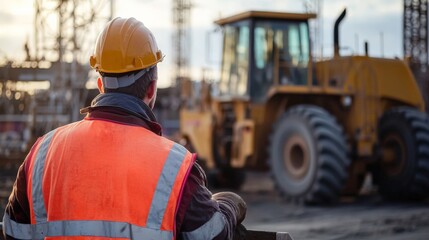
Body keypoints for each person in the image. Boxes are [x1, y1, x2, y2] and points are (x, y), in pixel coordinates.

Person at [2, 17, 246, 240]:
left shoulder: (41, 154)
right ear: (151, 89)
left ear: (100, 85)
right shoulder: (174, 168)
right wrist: (228, 206)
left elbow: (13, 232)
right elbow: (214, 236)